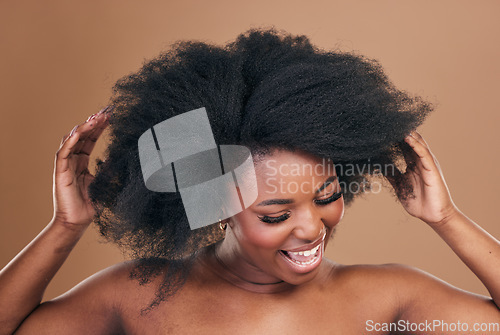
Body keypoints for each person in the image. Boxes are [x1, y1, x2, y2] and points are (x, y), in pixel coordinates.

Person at [1, 28, 499, 335]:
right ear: (213, 202)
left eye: (328, 196)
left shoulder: (385, 300)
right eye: (275, 214)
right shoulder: (137, 297)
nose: (310, 229)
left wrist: (446, 219)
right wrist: (66, 227)